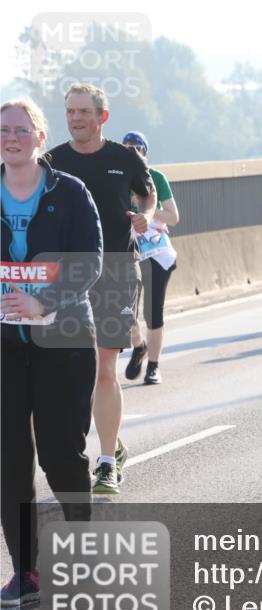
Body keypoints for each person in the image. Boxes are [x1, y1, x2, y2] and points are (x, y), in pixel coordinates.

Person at [1, 98, 102, 605]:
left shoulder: (71, 192)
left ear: (39, 137)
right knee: (10, 461)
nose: (10, 138)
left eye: (20, 129)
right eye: (3, 131)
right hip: (4, 350)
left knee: (63, 455)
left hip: (62, 341)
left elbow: (90, 263)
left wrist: (42, 300)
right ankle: (27, 572)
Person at [47, 83, 156, 495]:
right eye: (71, 112)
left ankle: (107, 462)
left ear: (102, 116)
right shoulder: (52, 161)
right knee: (72, 372)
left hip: (115, 267)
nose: (76, 118)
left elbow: (148, 195)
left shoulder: (123, 157)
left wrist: (144, 217)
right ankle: (112, 438)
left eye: (84, 112)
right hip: (69, 273)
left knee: (105, 367)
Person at [121, 131, 179, 385]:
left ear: (145, 152)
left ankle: (153, 366)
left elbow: (174, 217)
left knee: (153, 311)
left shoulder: (156, 178)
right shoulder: (116, 178)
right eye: (127, 147)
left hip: (155, 250)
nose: (132, 151)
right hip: (127, 249)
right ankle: (139, 345)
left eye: (137, 147)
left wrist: (148, 213)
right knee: (123, 309)